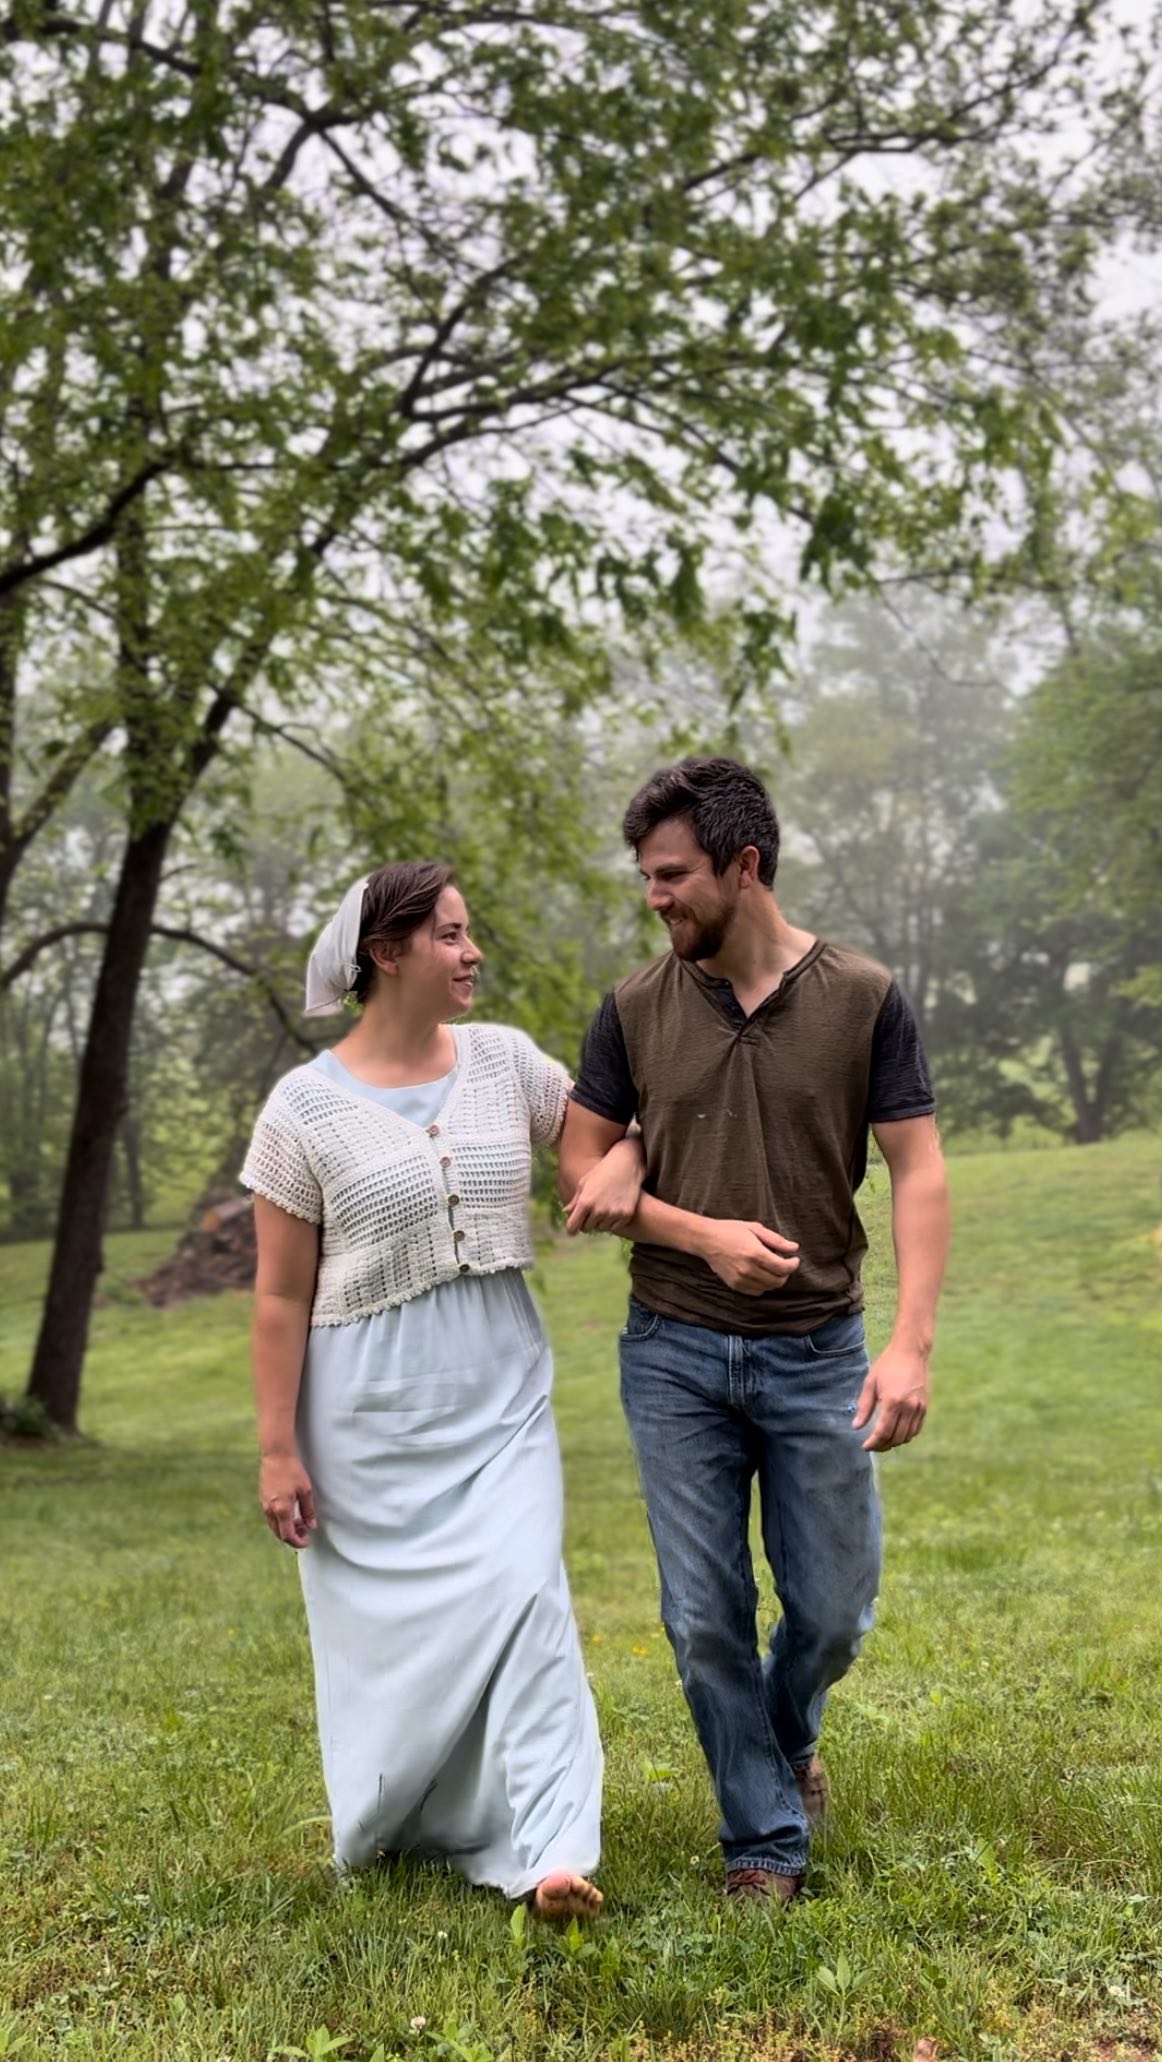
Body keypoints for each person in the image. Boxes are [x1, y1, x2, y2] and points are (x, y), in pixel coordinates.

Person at [559, 757, 950, 1903]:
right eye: (644, 878)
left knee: (832, 1610)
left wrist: (910, 1344)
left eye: (672, 875)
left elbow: (916, 1171)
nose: (656, 897)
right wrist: (698, 1230)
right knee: (702, 1616)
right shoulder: (634, 1006)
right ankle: (763, 1842)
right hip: (673, 1346)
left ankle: (784, 1734)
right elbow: (581, 1169)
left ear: (744, 865)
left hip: (820, 1346)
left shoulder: (864, 996)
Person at [242, 861, 642, 1917]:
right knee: (391, 1637)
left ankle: (554, 1849)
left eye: (470, 934)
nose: (472, 954)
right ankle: (407, 1817)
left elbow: (604, 1143)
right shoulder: (300, 1111)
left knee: (528, 1596)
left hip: (498, 1382)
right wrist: (278, 1448)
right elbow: (279, 1297)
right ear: (387, 952)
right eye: (451, 936)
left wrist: (628, 1163)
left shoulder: (508, 1062)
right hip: (363, 1403)